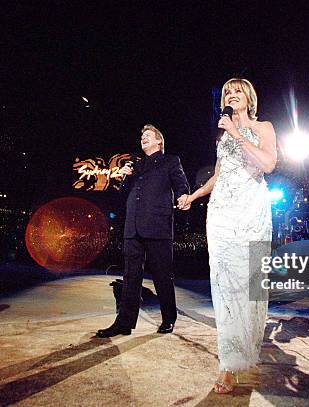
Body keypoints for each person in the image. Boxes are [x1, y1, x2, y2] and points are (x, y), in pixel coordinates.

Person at [178, 78, 276, 394]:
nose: (231, 95)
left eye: (237, 91)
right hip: (221, 213)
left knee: (249, 285)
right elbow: (219, 177)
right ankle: (228, 364)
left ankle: (247, 348)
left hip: (252, 211)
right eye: (227, 92)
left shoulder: (264, 128)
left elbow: (269, 164)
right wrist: (193, 197)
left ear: (249, 97)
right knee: (223, 286)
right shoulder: (222, 136)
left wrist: (237, 134)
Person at [96, 124, 190, 337]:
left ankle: (168, 319)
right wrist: (124, 177)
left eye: (148, 136)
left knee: (162, 276)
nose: (143, 139)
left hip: (158, 226)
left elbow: (181, 185)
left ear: (159, 141)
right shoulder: (135, 166)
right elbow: (123, 195)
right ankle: (124, 323)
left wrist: (184, 196)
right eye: (142, 137)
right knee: (130, 276)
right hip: (133, 227)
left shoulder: (170, 161)